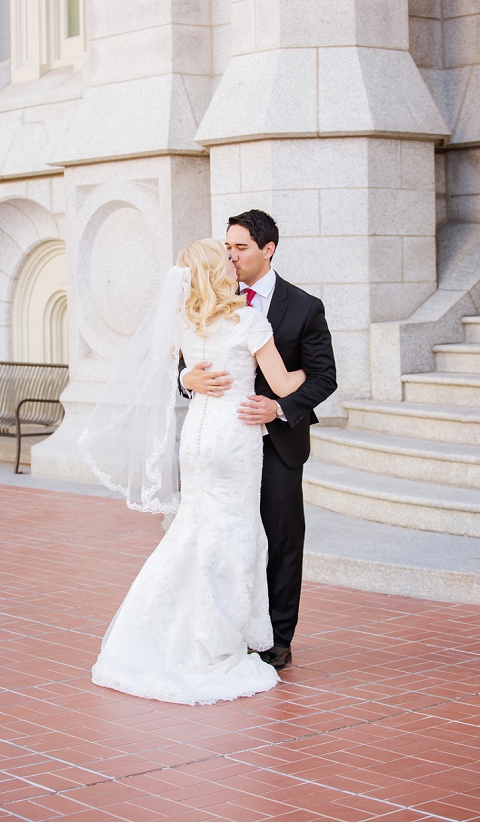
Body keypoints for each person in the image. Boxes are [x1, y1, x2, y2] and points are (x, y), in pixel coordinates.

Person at [79, 239, 306, 705]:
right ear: (214, 270)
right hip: (236, 435)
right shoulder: (247, 320)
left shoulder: (185, 322)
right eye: (225, 256)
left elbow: (155, 370)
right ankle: (214, 641)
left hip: (198, 439)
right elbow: (282, 384)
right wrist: (305, 375)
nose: (232, 259)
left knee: (196, 528)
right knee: (234, 533)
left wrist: (186, 378)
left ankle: (157, 632)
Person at [181, 210, 337, 670]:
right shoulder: (203, 305)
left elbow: (325, 377)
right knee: (222, 535)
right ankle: (227, 626)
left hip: (279, 442)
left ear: (268, 249)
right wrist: (189, 378)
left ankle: (276, 637)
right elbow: (182, 366)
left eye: (241, 247)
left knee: (281, 538)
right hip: (223, 442)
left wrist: (279, 408)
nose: (231, 254)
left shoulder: (304, 306)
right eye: (227, 247)